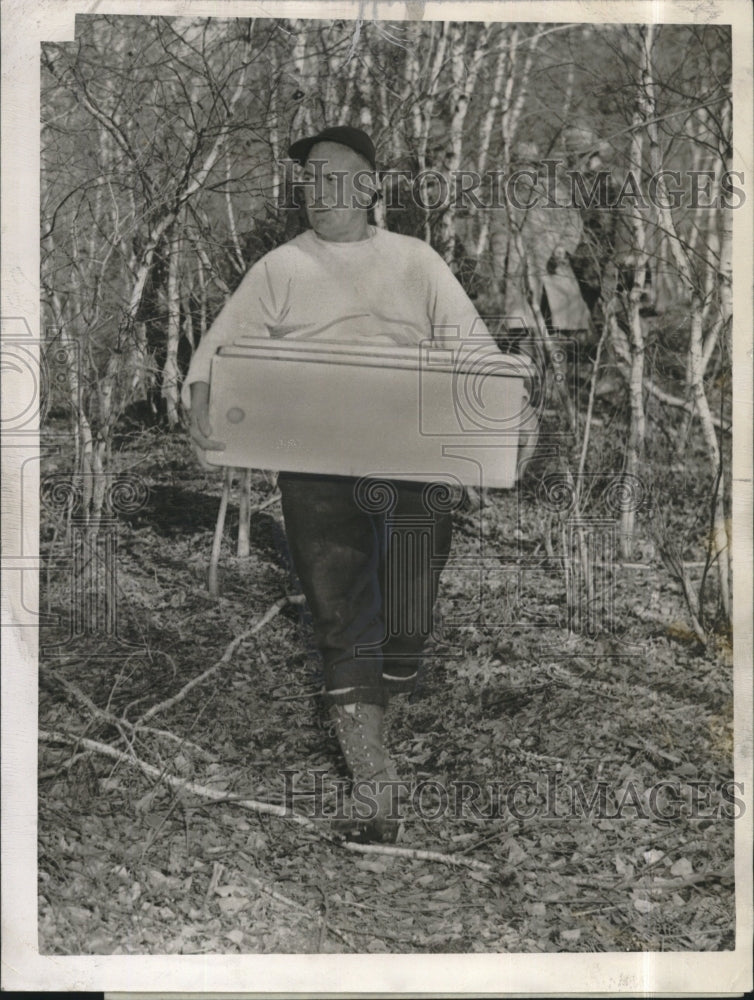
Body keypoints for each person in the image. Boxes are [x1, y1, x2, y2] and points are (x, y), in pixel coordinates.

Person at [183, 126, 534, 842]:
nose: (318, 190)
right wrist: (198, 402)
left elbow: (474, 348)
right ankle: (375, 786)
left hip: (415, 451)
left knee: (409, 609)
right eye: (309, 178)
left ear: (372, 187)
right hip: (315, 460)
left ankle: (389, 686)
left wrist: (517, 412)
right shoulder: (280, 267)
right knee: (340, 612)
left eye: (335, 177)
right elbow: (216, 353)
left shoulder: (415, 261)